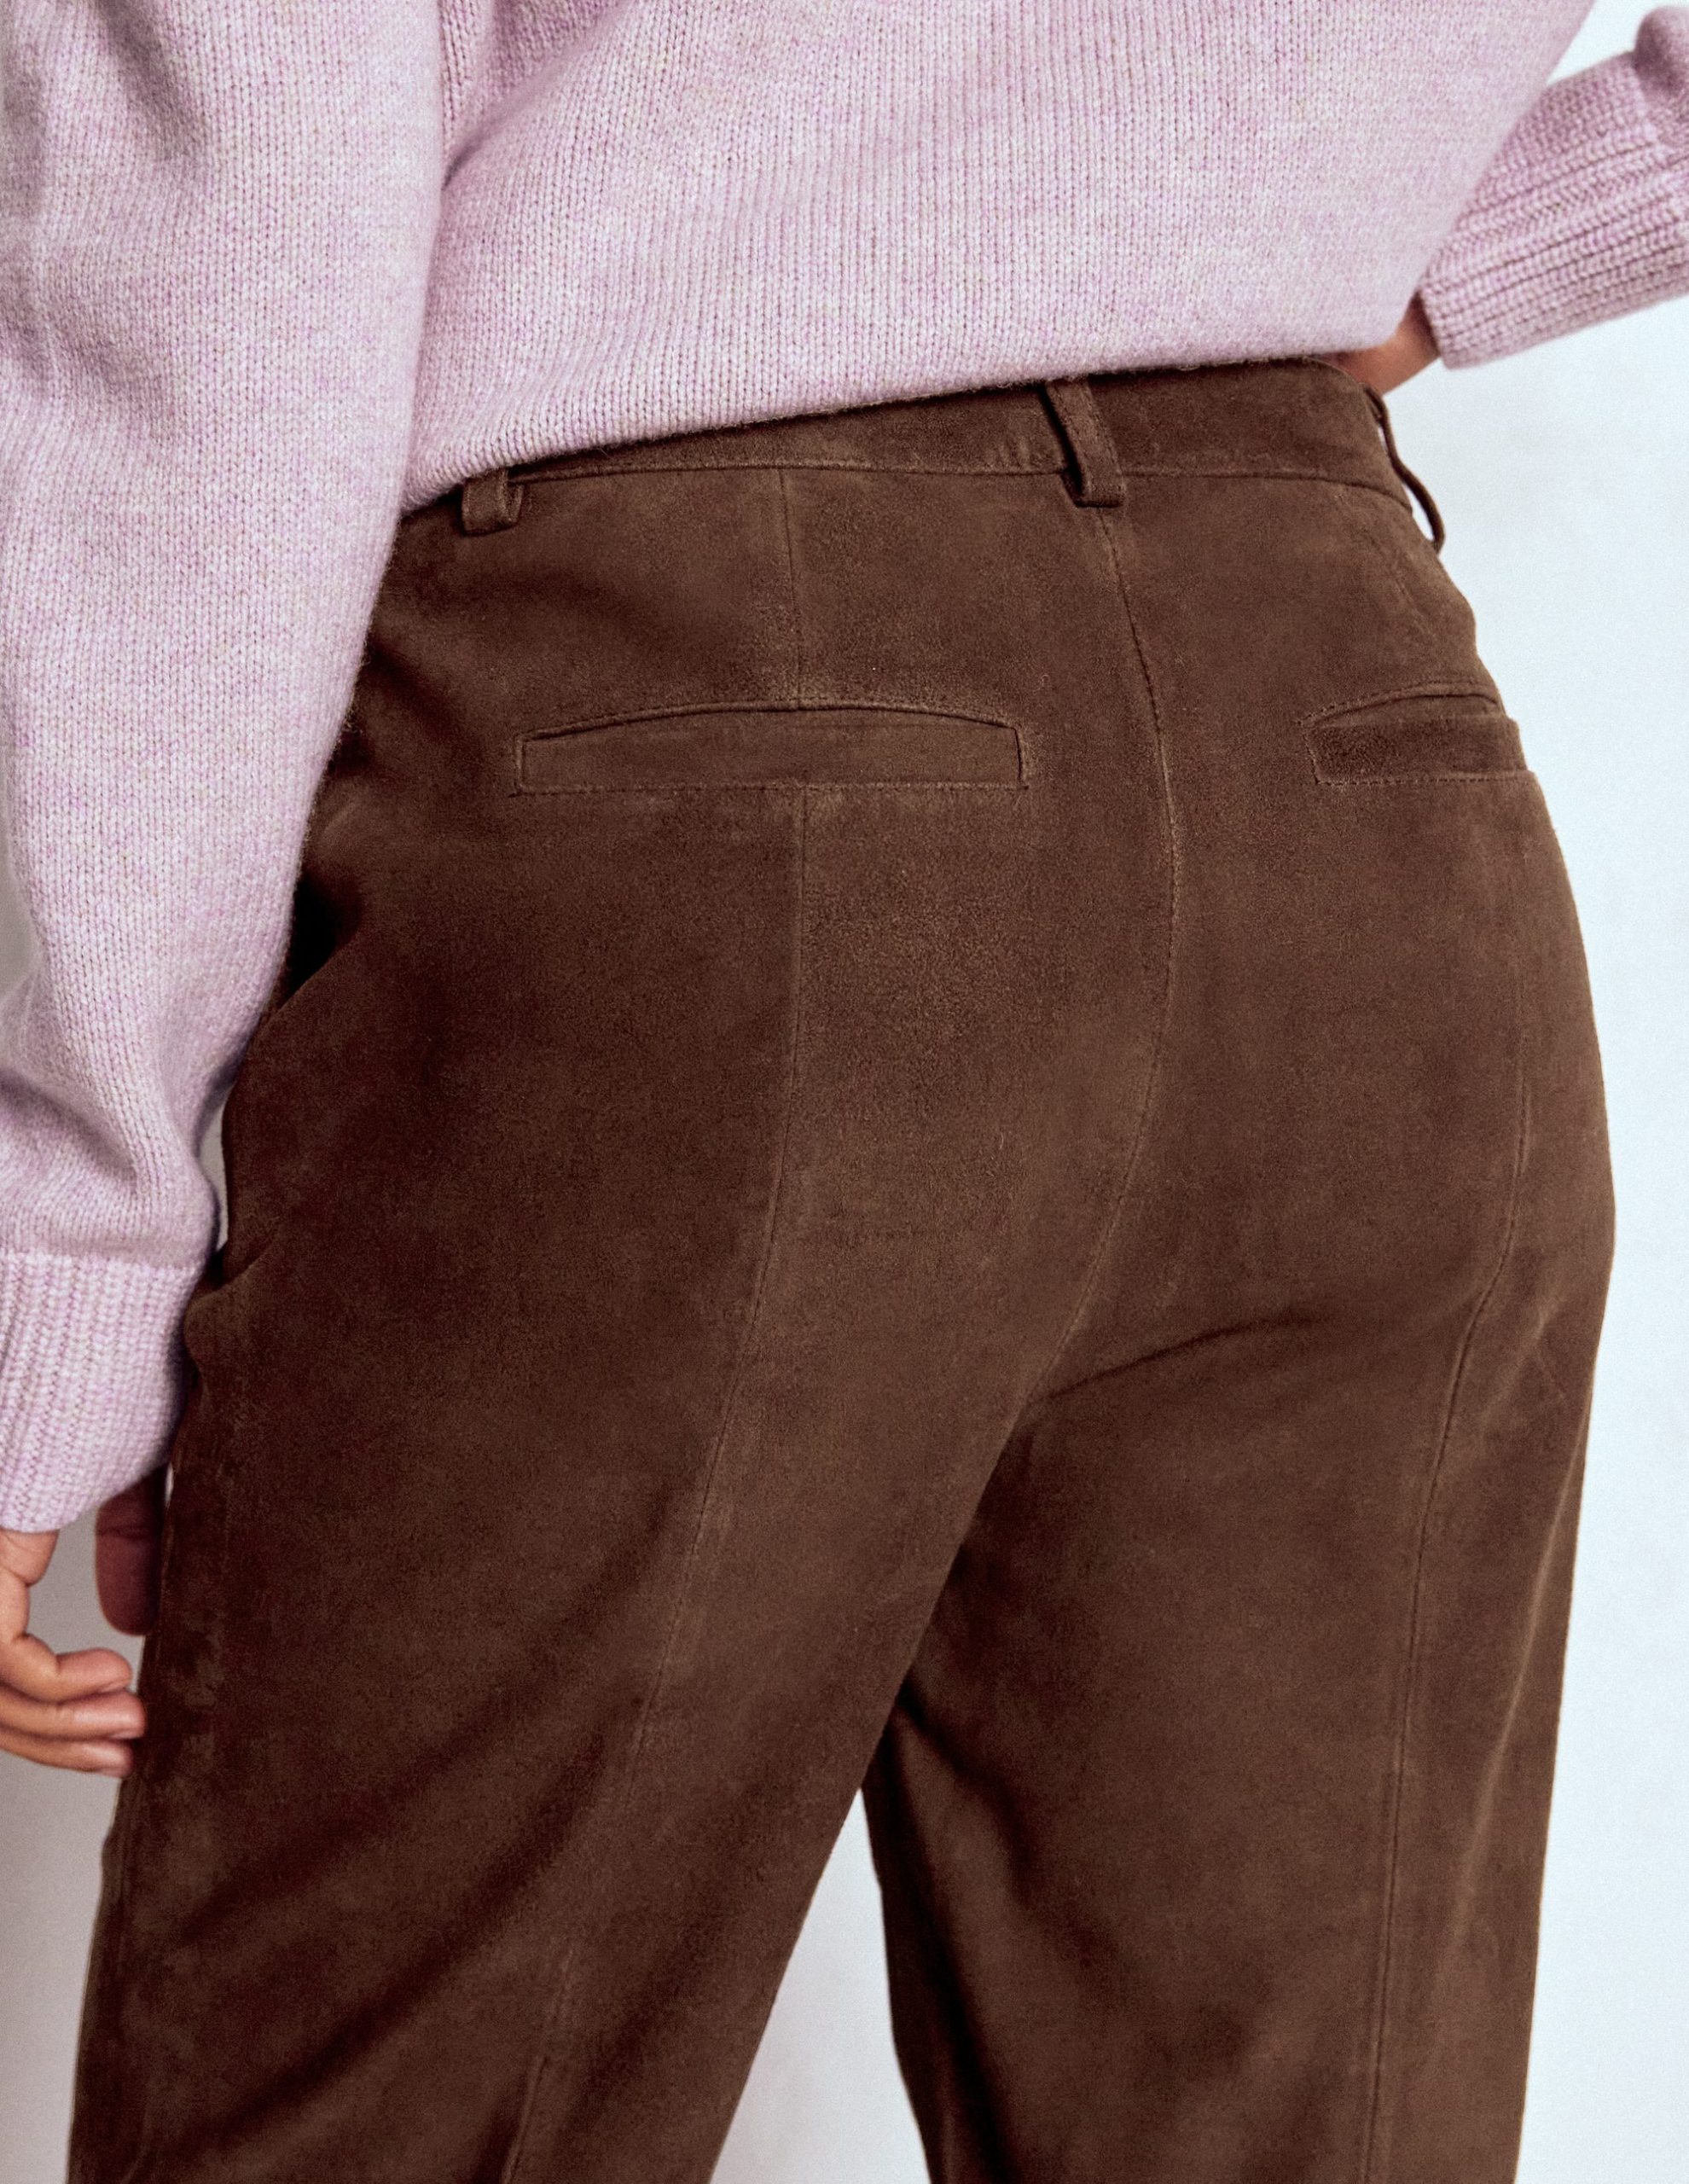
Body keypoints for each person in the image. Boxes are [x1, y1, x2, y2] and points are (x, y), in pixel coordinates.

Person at [0, 4, 1683, 2179]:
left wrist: (69, 1268)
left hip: (691, 771)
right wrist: (1431, 240)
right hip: (1358, 782)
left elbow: (219, 265)